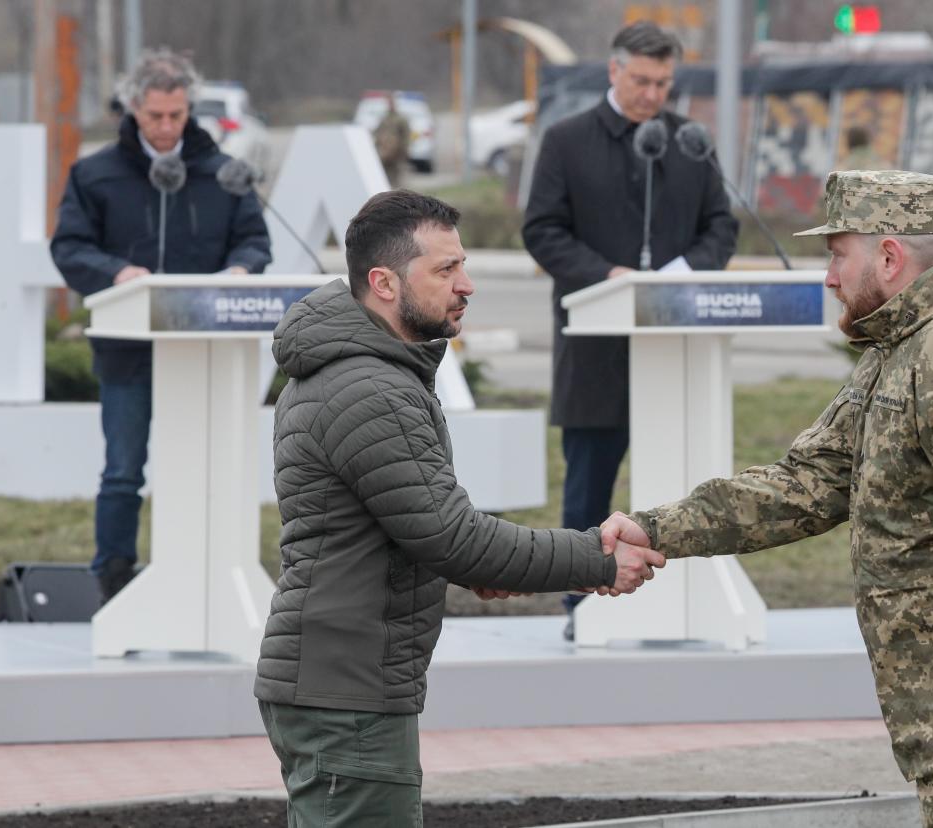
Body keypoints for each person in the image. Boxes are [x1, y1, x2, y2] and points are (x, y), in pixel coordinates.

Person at [601, 170, 933, 826]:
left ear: (889, 256)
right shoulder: (902, 355)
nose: (829, 276)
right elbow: (808, 484)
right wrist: (657, 530)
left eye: (837, 254)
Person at [254, 189, 664, 826]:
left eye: (463, 266)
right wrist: (598, 559)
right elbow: (451, 535)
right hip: (347, 693)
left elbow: (417, 526)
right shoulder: (369, 387)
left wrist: (483, 566)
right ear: (383, 282)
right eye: (445, 270)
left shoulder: (372, 372)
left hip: (344, 683)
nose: (466, 285)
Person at [522, 21, 738, 640]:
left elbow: (721, 227)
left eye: (663, 83)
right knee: (590, 479)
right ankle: (578, 604)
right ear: (614, 71)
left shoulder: (690, 142)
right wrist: (610, 277)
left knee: (680, 480)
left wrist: (679, 275)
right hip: (595, 347)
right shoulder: (567, 141)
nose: (651, 94)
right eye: (641, 80)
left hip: (677, 345)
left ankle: (681, 601)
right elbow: (542, 230)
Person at [50, 48, 271, 603]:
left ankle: (201, 586)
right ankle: (113, 586)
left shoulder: (223, 173)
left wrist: (240, 269)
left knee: (206, 469)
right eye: (156, 117)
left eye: (177, 115)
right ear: (133, 110)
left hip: (206, 352)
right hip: (128, 352)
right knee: (124, 471)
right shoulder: (94, 174)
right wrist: (118, 272)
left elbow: (254, 240)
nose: (168, 127)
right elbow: (70, 247)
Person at [374, 94, 411, 185]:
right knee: (384, 174)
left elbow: (406, 135)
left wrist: (404, 150)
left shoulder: (400, 119)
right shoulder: (384, 119)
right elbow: (378, 133)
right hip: (384, 152)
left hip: (396, 152)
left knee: (396, 175)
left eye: (392, 103)